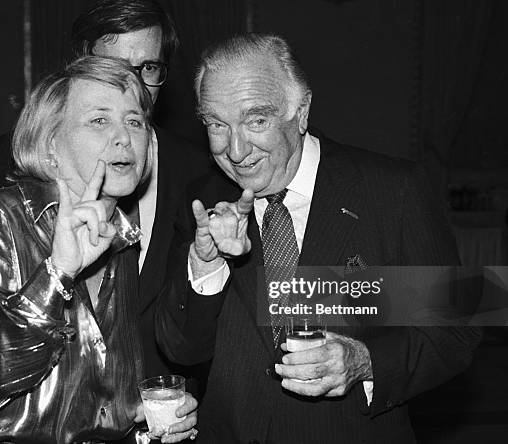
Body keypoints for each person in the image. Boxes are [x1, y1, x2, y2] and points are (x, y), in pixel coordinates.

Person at [155, 34, 482, 443]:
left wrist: (364, 362)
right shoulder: (203, 201)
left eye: (256, 120)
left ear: (302, 111)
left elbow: (457, 330)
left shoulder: (392, 190)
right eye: (217, 125)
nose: (235, 150)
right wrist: (205, 266)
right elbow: (182, 350)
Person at [0, 56, 197, 444]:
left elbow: (83, 402)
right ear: (53, 144)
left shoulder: (121, 238)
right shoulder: (2, 217)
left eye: (135, 121)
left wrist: (139, 422)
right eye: (99, 120)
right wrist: (55, 276)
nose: (125, 136)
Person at [0, 0, 210, 392]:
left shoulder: (196, 167)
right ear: (83, 63)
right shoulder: (19, 163)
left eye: (149, 68)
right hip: (36, 398)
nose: (135, 84)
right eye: (117, 68)